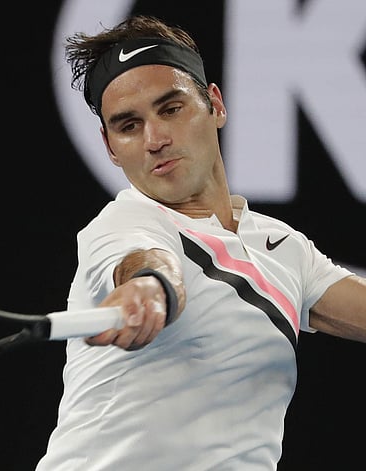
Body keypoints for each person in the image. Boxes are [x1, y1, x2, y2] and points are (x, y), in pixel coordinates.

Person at [35, 14, 366, 470]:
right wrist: (148, 289)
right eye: (129, 126)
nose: (155, 139)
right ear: (110, 147)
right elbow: (145, 261)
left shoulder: (282, 247)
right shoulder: (121, 224)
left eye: (171, 109)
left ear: (215, 105)